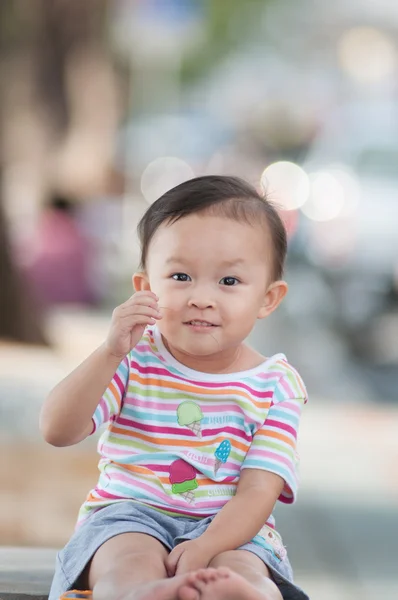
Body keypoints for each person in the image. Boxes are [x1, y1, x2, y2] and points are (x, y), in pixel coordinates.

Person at [41, 176, 309, 600]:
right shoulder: (133, 358)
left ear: (268, 298)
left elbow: (259, 490)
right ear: (146, 288)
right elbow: (57, 429)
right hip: (130, 515)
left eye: (229, 282)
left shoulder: (276, 385)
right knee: (128, 559)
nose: (201, 298)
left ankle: (247, 593)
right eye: (181, 276)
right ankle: (142, 592)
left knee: (241, 567)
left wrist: (204, 547)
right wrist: (109, 353)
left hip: (230, 526)